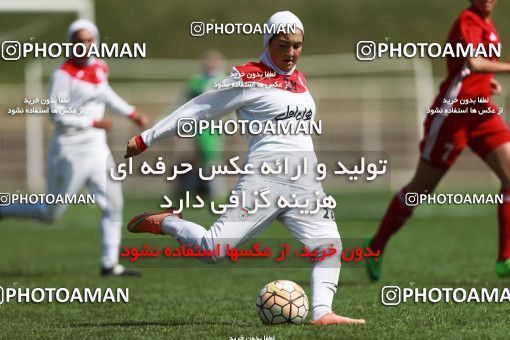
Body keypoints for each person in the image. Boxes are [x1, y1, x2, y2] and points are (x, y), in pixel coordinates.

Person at [124, 11, 366, 325]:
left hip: (305, 182)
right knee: (213, 250)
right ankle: (170, 223)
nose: (291, 52)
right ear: (268, 41)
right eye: (283, 45)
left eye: (297, 45)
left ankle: (322, 313)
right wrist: (147, 138)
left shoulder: (298, 78)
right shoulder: (247, 76)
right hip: (265, 181)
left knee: (329, 245)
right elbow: (200, 109)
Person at [366, 0, 510, 281]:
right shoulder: (467, 19)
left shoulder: (487, 23)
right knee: (421, 188)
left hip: (481, 111)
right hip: (454, 114)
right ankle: (375, 247)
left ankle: (505, 259)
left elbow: (470, 69)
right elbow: (473, 62)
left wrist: (486, 82)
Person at [0, 19, 148, 276]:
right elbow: (55, 114)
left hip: (96, 148)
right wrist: (92, 121)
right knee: (50, 213)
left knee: (114, 203)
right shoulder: (63, 74)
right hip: (68, 150)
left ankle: (109, 264)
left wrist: (131, 113)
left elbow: (106, 94)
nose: (85, 45)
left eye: (89, 40)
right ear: (71, 44)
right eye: (79, 41)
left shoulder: (100, 66)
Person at [179, 50, 227, 198]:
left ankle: (212, 189)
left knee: (210, 157)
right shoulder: (198, 80)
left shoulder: (224, 79)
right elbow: (188, 99)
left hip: (216, 125)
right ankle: (208, 189)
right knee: (205, 157)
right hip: (201, 125)